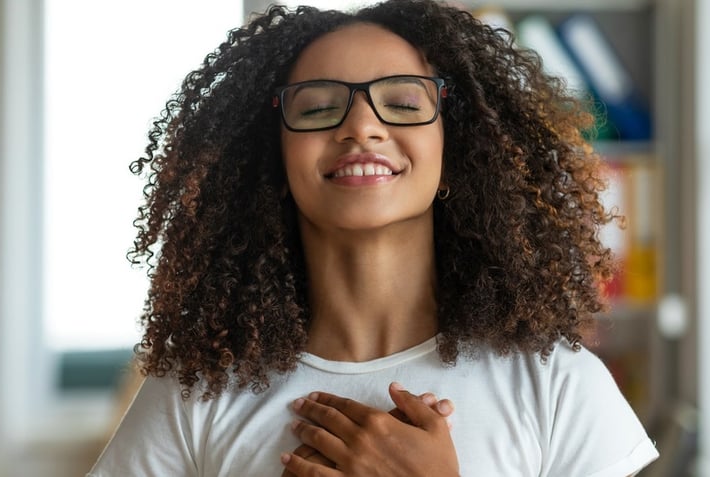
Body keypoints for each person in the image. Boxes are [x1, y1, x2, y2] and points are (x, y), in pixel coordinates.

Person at [88, 0, 659, 475]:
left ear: (454, 147)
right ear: (271, 158)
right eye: (317, 107)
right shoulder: (196, 389)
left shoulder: (557, 385)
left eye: (404, 102)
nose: (361, 126)